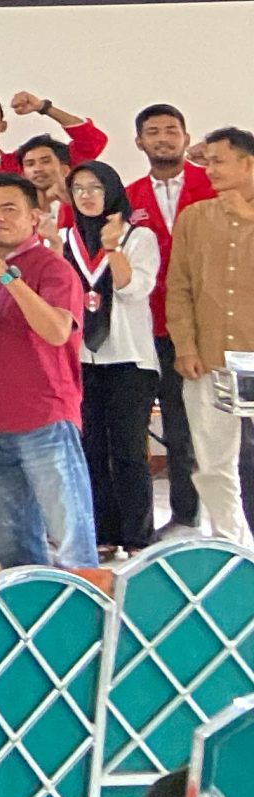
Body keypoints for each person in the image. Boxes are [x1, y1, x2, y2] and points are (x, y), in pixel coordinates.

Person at [0, 172, 95, 568]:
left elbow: (56, 331)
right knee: (14, 538)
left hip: (45, 417)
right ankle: (25, 605)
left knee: (70, 534)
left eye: (9, 209)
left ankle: (86, 604)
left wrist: (7, 277)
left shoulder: (53, 268)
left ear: (34, 217)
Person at [166, 126, 254, 545]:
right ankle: (231, 545)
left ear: (248, 164)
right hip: (210, 357)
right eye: (208, 161)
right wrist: (185, 346)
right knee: (213, 460)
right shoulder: (195, 217)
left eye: (219, 161)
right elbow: (179, 287)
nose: (210, 169)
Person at [128, 103, 213, 537]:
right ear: (139, 141)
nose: (163, 138)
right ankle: (178, 516)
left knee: (216, 429)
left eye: (170, 130)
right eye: (153, 131)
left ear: (186, 137)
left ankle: (220, 519)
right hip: (149, 328)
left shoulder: (213, 184)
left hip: (208, 326)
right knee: (170, 429)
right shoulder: (127, 196)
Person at [70, 163, 160, 556]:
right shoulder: (65, 238)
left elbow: (133, 290)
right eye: (78, 188)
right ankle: (104, 534)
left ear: (112, 190)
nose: (87, 195)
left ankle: (138, 537)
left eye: (95, 187)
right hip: (82, 359)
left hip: (130, 359)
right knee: (91, 449)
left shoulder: (139, 237)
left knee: (128, 451)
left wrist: (111, 248)